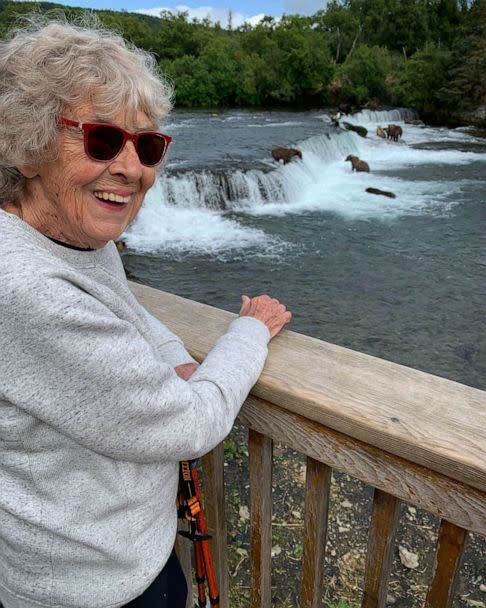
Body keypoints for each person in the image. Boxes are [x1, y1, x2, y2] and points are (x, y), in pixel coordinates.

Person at [0, 18, 291, 608]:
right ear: (25, 148)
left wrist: (180, 360)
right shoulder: (27, 287)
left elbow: (128, 312)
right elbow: (190, 424)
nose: (132, 169)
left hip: (119, 557)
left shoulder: (75, 238)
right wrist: (249, 331)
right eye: (103, 140)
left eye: (149, 145)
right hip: (87, 587)